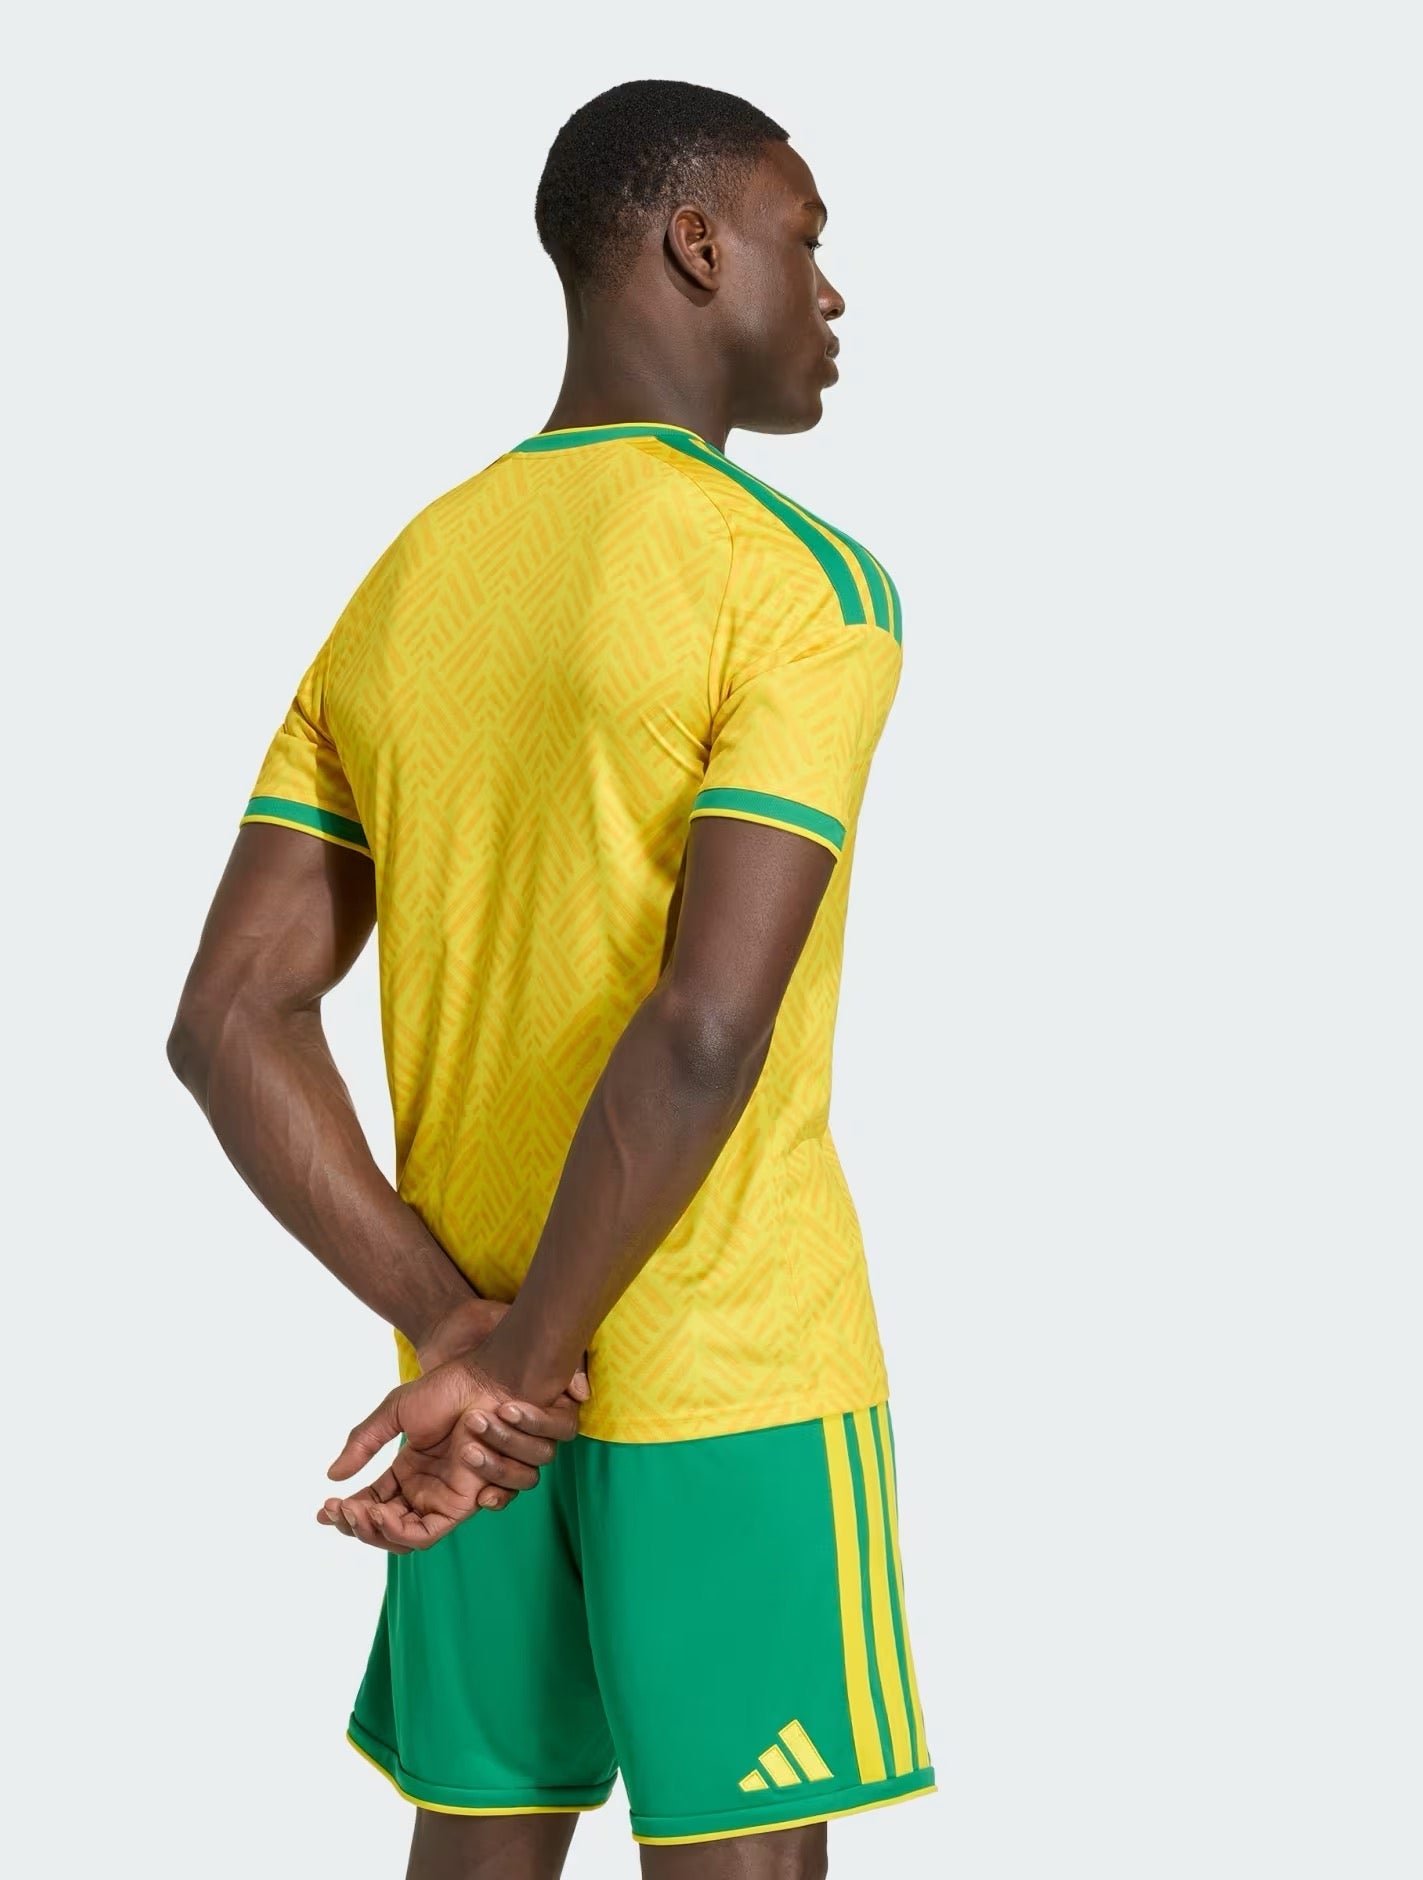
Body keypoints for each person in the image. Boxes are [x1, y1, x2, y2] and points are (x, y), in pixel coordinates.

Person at [169, 77, 933, 1880]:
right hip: (721, 1369)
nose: (833, 292)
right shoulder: (799, 586)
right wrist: (528, 1361)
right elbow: (707, 1024)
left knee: (479, 1842)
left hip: (472, 1390)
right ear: (698, 245)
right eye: (806, 240)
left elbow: (229, 1018)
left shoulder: (409, 582)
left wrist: (461, 1334)